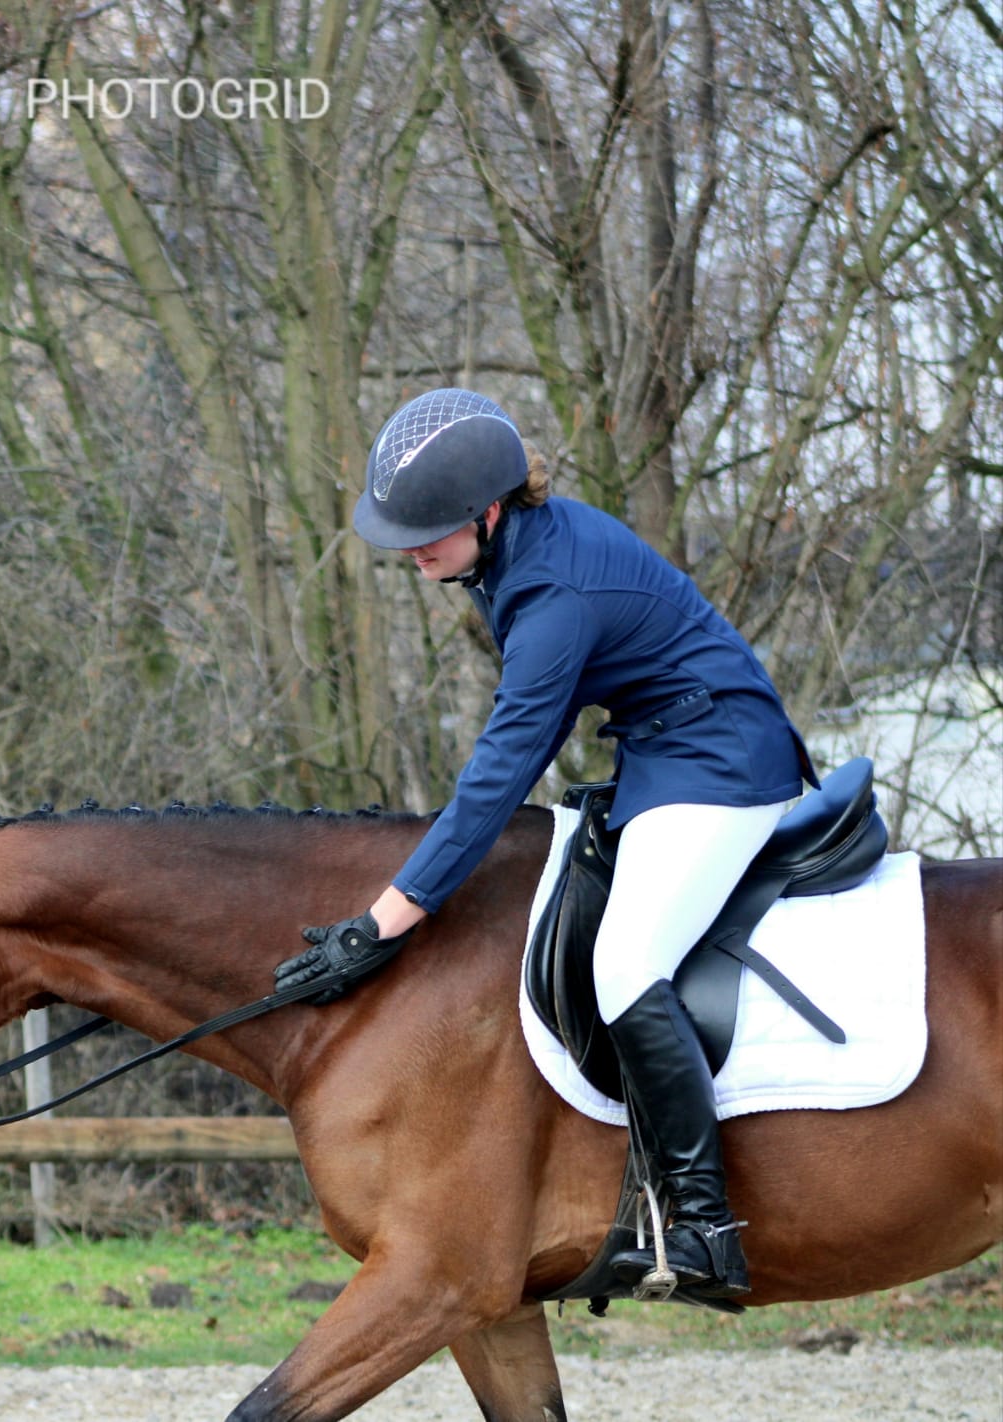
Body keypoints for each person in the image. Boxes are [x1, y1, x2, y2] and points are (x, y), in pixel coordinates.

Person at [274, 388, 818, 1299]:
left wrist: (386, 917)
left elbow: (498, 775)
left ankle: (703, 1226)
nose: (411, 548)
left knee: (625, 967)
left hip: (719, 764)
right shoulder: (520, 553)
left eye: (430, 530)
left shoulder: (552, 593)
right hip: (661, 753)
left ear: (488, 513)